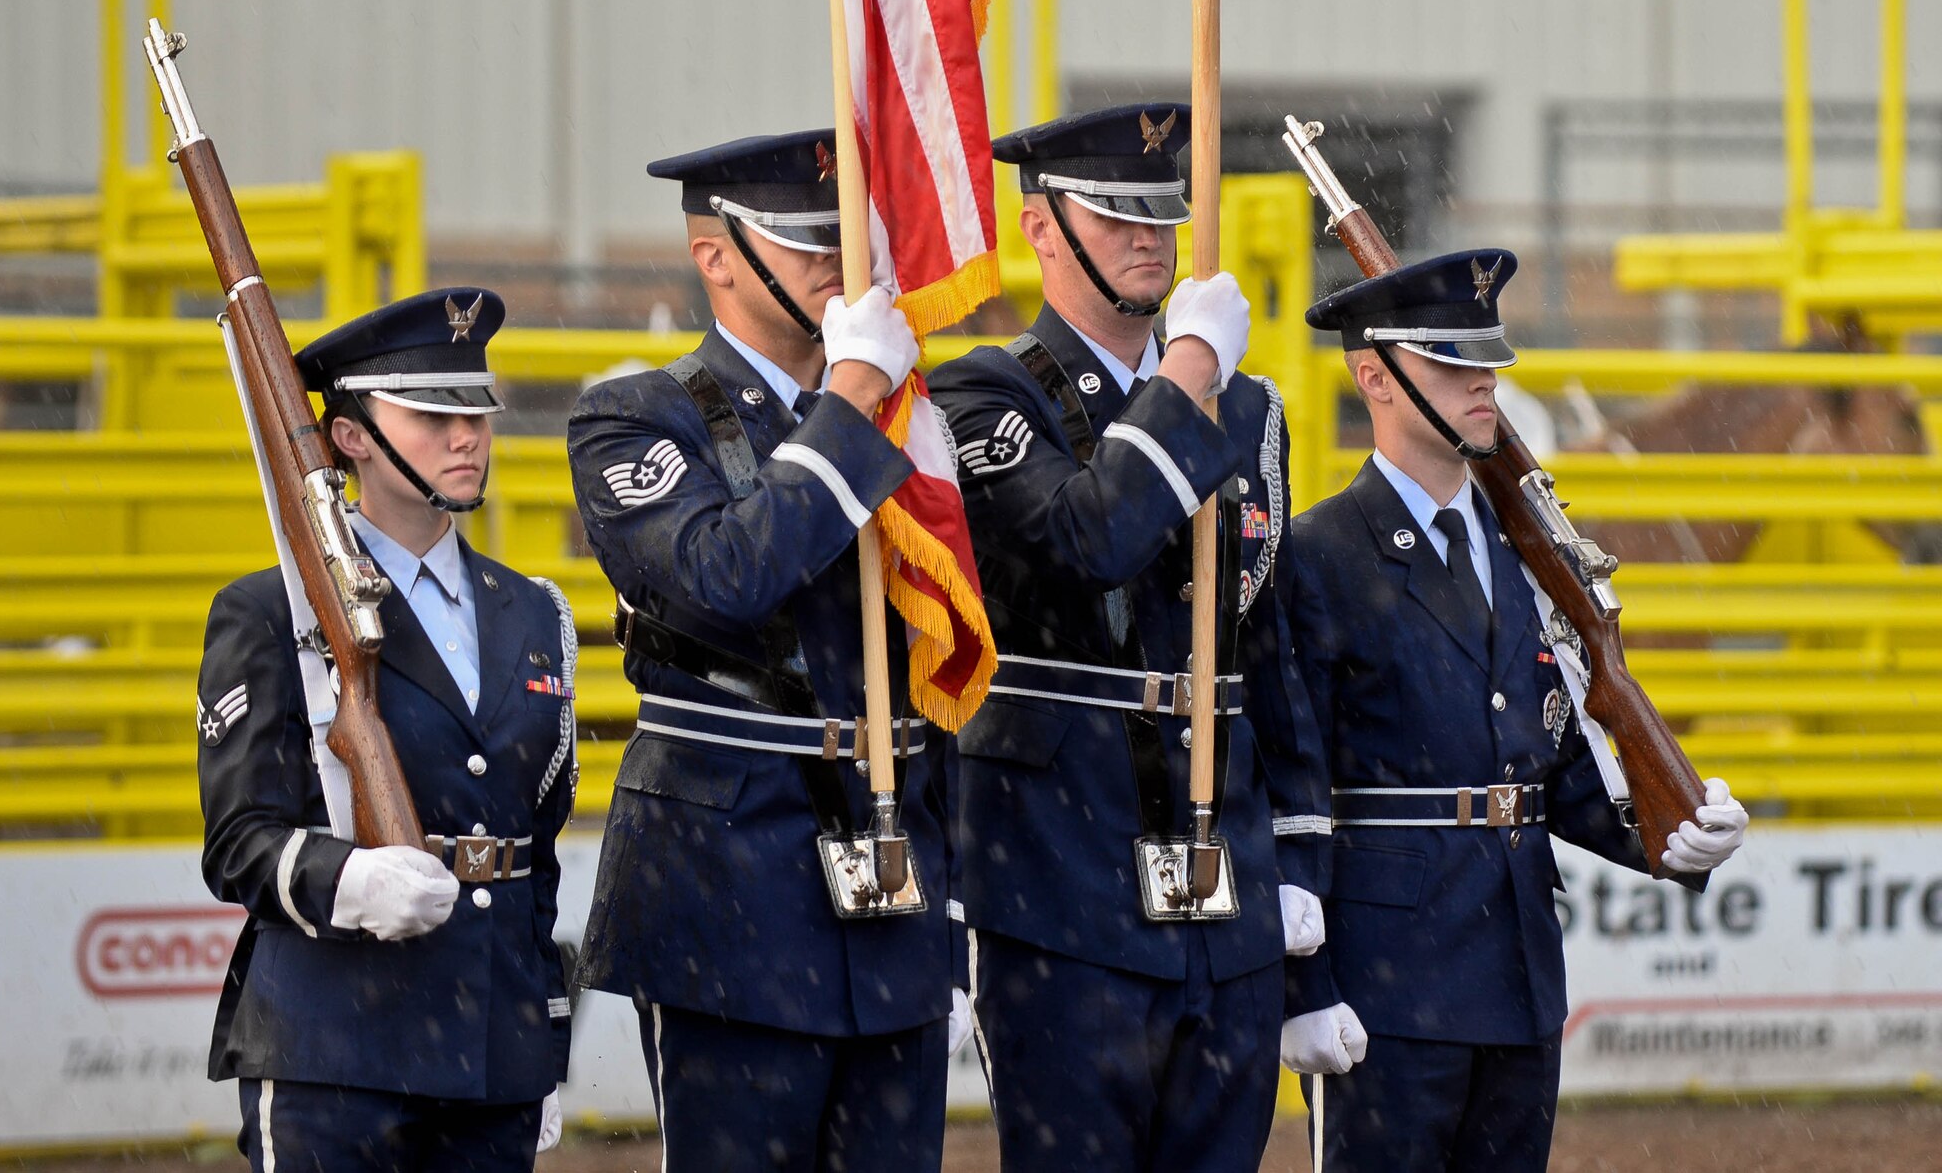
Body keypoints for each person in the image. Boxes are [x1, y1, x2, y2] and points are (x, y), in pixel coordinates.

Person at [926, 102, 1332, 1172]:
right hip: (1059, 875)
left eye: (1161, 210)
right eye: (1113, 213)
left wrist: (1298, 854)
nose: (1147, 234)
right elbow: (1087, 536)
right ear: (1040, 227)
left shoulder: (1248, 407)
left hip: (1223, 873)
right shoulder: (980, 394)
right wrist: (1187, 372)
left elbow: (1266, 645)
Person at [1283, 250, 1750, 1170]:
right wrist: (1303, 986)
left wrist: (1664, 837)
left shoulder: (1522, 553)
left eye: (1487, 357)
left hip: (1519, 975)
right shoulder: (1322, 553)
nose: (1483, 380)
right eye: (1451, 362)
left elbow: (1548, 758)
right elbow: (1289, 781)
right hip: (1388, 985)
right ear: (1373, 375)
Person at [567, 129, 967, 1172]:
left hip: (891, 873)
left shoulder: (907, 419)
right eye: (802, 240)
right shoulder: (633, 417)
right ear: (716, 257)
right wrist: (843, 406)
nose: (834, 260)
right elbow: (722, 576)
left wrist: (956, 869)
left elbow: (945, 644)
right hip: (729, 887)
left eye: (844, 236)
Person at [196, 287, 578, 1171]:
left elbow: (537, 846)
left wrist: (541, 1034)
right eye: (430, 413)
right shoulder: (271, 610)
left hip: (491, 1050)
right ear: (351, 436)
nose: (465, 435)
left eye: (475, 410)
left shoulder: (534, 612)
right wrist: (350, 881)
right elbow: (239, 841)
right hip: (335, 1043)